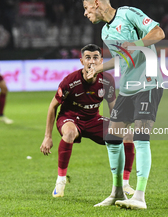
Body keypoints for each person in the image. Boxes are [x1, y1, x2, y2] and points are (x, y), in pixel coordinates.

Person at [83, 0, 165, 209]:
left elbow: (158, 33)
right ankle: (117, 191)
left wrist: (135, 44)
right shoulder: (105, 33)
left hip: (148, 83)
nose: (85, 13)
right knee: (112, 138)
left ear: (97, 4)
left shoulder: (128, 13)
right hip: (128, 88)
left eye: (86, 7)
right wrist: (98, 68)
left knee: (140, 137)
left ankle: (139, 196)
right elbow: (122, 59)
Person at [40, 44, 135, 198]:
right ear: (81, 61)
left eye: (95, 57)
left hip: (93, 119)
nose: (92, 61)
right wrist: (47, 137)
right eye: (88, 58)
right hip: (69, 118)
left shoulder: (107, 80)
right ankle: (60, 182)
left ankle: (124, 184)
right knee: (70, 132)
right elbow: (52, 107)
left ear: (101, 61)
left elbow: (113, 107)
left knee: (128, 135)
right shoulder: (70, 81)